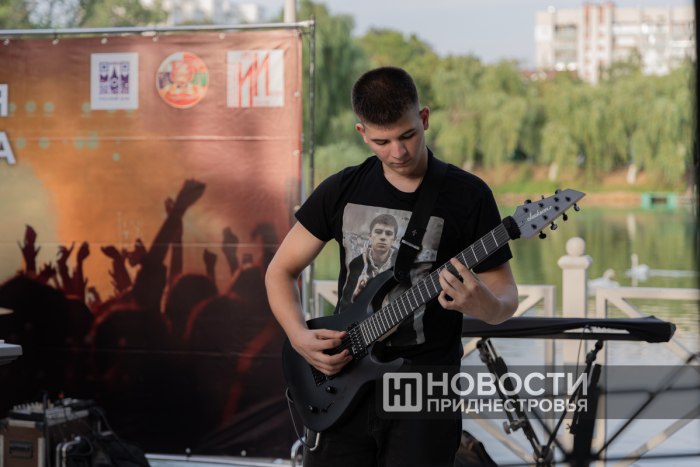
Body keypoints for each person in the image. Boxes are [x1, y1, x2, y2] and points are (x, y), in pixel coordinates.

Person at [265, 66, 519, 467]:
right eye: (381, 141)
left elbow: (505, 300)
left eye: (407, 136)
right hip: (342, 377)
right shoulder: (341, 189)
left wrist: (481, 303)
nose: (398, 153)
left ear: (424, 118)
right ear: (361, 133)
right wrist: (298, 336)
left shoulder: (468, 196)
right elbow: (279, 271)